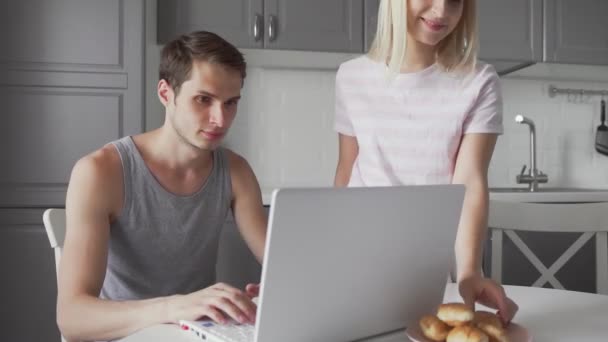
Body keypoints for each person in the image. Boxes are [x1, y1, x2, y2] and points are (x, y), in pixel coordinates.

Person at [57, 31, 267, 341]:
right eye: (203, 100)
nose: (220, 119)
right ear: (166, 94)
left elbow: (278, 263)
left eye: (231, 103)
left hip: (195, 334)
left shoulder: (236, 172)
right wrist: (174, 307)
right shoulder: (100, 172)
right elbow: (72, 318)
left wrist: (277, 287)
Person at [333, 0, 518, 324]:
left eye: (455, 1)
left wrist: (469, 272)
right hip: (363, 257)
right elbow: (347, 170)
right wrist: (332, 250)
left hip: (438, 266)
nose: (442, 11)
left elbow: (470, 182)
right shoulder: (351, 76)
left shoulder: (478, 81)